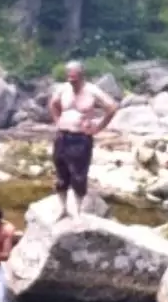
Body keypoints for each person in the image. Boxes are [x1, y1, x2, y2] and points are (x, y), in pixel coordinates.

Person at [48, 62, 118, 221]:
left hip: (80, 138)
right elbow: (53, 104)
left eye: (74, 78)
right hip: (62, 136)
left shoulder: (92, 91)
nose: (71, 81)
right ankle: (63, 209)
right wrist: (57, 120)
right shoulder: (63, 89)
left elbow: (112, 107)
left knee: (79, 177)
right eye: (69, 78)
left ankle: (77, 212)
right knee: (61, 175)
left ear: (81, 76)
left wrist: (98, 128)